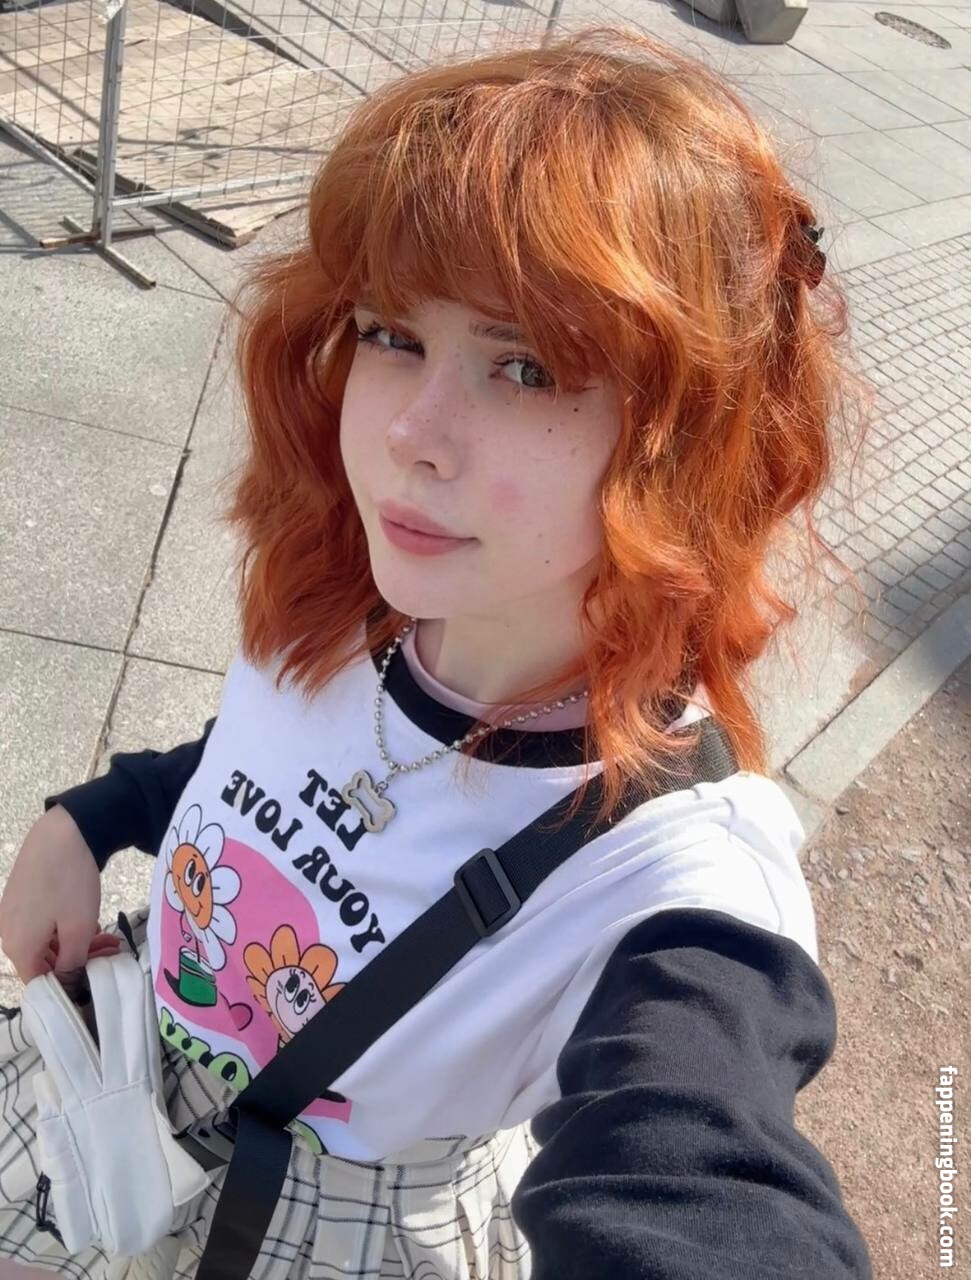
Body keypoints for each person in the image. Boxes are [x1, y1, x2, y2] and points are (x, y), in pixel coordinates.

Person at [0, 22, 874, 1280]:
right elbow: (253, 761)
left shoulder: (673, 880)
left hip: (331, 1224)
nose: (411, 431)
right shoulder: (357, 599)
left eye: (524, 364)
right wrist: (91, 817)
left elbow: (696, 1167)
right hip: (117, 1060)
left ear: (685, 441)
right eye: (390, 332)